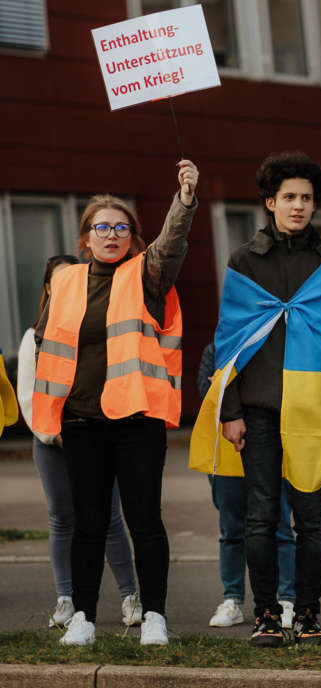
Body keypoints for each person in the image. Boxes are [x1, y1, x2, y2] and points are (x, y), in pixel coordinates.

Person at [194, 150, 321, 648]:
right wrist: (229, 412)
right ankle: (266, 613)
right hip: (260, 411)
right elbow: (230, 341)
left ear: (316, 206)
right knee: (261, 515)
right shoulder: (244, 261)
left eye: (307, 198)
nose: (298, 206)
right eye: (289, 197)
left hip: (314, 410)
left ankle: (310, 613)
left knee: (311, 517)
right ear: (270, 202)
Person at [32, 159, 199, 647]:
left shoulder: (146, 275)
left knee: (144, 521)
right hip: (81, 421)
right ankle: (82, 616)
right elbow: (46, 342)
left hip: (136, 420)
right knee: (87, 523)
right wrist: (54, 412)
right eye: (101, 227)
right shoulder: (64, 280)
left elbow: (170, 246)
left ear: (132, 237)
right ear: (85, 238)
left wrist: (184, 199)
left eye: (120, 227)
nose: (111, 234)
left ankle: (154, 616)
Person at [17, 255, 141, 630]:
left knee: (110, 519)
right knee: (62, 519)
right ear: (49, 289)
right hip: (51, 441)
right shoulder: (32, 336)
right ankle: (66, 599)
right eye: (60, 281)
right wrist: (50, 432)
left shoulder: (99, 329)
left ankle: (129, 597)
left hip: (96, 435)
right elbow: (28, 392)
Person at [196, 341, 296, 630]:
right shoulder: (216, 348)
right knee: (232, 530)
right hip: (228, 455)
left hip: (273, 450)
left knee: (280, 526)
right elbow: (207, 392)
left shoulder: (271, 343)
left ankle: (286, 599)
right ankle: (232, 599)